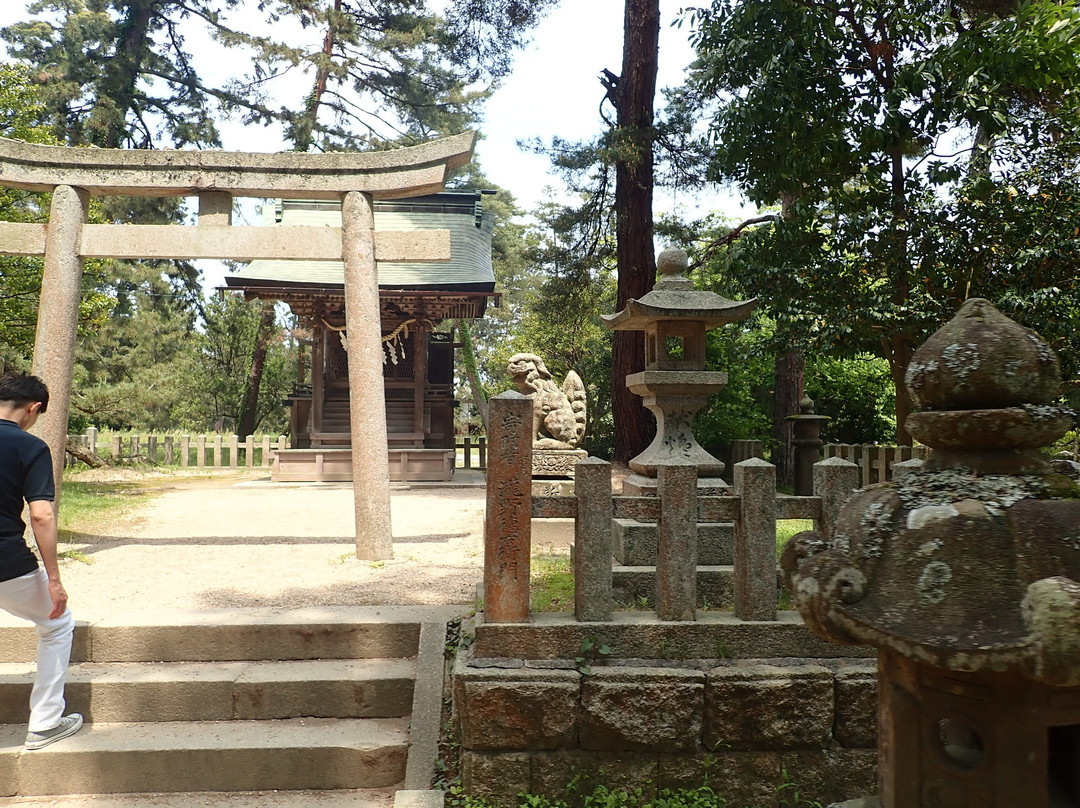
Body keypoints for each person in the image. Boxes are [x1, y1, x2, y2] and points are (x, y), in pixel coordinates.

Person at [0, 372, 82, 750]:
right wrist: (54, 579)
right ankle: (45, 722)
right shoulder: (28, 447)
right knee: (57, 622)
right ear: (33, 409)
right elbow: (42, 516)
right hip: (6, 563)